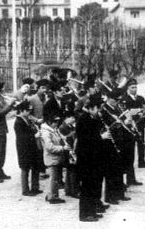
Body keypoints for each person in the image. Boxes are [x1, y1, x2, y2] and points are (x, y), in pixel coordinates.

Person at [75, 94, 109, 222]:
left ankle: (92, 211)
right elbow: (86, 140)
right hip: (86, 160)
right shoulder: (83, 120)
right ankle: (84, 214)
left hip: (94, 159)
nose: (99, 112)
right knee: (87, 188)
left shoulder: (93, 118)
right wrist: (102, 137)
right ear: (91, 108)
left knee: (94, 186)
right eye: (98, 109)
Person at [14, 101, 43, 196]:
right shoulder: (18, 122)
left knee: (35, 166)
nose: (28, 112)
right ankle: (25, 190)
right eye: (27, 110)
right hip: (24, 148)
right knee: (25, 168)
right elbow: (22, 137)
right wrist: (34, 135)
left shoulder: (28, 119)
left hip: (32, 147)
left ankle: (35, 187)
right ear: (21, 111)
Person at [121, 78, 145, 169]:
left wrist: (143, 114)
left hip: (140, 124)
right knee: (131, 145)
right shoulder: (124, 99)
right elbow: (124, 112)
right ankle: (130, 164)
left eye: (135, 87)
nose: (134, 89)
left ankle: (142, 161)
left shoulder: (140, 98)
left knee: (141, 143)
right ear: (128, 88)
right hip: (130, 125)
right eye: (132, 87)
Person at [40, 115, 67, 204]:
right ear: (49, 122)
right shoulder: (46, 132)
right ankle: (53, 197)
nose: (56, 124)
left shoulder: (52, 130)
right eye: (54, 122)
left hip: (55, 158)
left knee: (55, 178)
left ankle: (51, 195)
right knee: (53, 178)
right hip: (52, 158)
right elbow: (49, 147)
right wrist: (62, 148)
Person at [59, 113, 79, 199]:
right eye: (72, 117)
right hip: (68, 151)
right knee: (73, 171)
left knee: (70, 170)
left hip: (70, 150)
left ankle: (68, 189)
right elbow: (65, 138)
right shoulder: (62, 127)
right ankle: (74, 191)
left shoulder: (69, 126)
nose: (74, 120)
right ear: (67, 118)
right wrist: (75, 132)